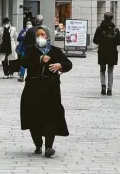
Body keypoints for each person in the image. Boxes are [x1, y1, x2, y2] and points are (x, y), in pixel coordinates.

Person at [20, 26, 72, 158]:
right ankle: (38, 144)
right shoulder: (31, 50)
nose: (40, 37)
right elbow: (24, 62)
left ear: (47, 36)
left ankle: (49, 147)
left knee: (51, 117)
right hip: (33, 89)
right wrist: (39, 59)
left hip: (51, 90)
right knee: (34, 117)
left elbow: (68, 63)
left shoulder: (55, 51)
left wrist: (60, 65)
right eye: (38, 35)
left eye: (43, 34)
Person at [93, 12, 120, 96]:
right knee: (110, 70)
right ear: (112, 18)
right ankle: (109, 89)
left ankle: (103, 86)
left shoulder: (99, 29)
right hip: (112, 52)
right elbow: (119, 42)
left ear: (104, 17)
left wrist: (102, 40)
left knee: (102, 69)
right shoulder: (115, 29)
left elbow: (95, 40)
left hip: (102, 51)